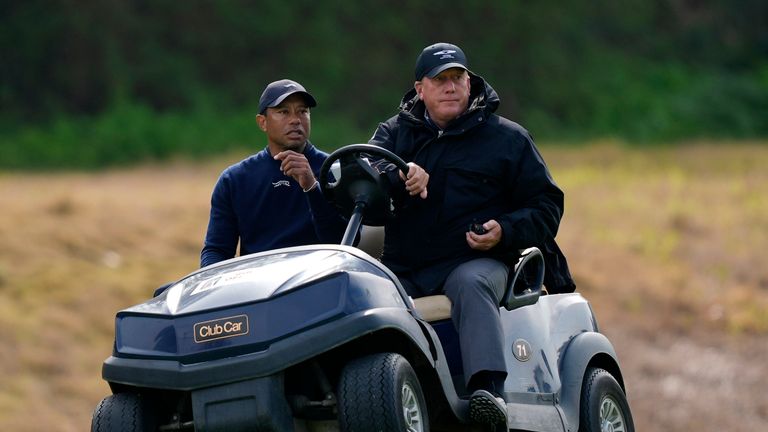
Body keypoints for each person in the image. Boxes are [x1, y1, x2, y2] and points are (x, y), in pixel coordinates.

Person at [368, 42, 575, 427]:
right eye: (440, 80)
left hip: (477, 260)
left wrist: (505, 230)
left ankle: (487, 394)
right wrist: (398, 174)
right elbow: (363, 173)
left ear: (469, 82)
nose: (450, 87)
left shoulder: (509, 139)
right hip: (406, 265)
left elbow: (547, 205)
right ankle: (376, 396)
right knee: (363, 294)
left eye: (457, 78)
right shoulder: (393, 134)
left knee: (471, 282)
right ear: (420, 89)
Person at [201, 79, 347, 268]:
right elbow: (217, 250)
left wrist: (312, 187)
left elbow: (345, 245)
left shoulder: (336, 170)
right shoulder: (235, 180)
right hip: (257, 286)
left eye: (302, 111)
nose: (295, 120)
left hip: (320, 281)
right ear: (262, 122)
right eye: (283, 112)